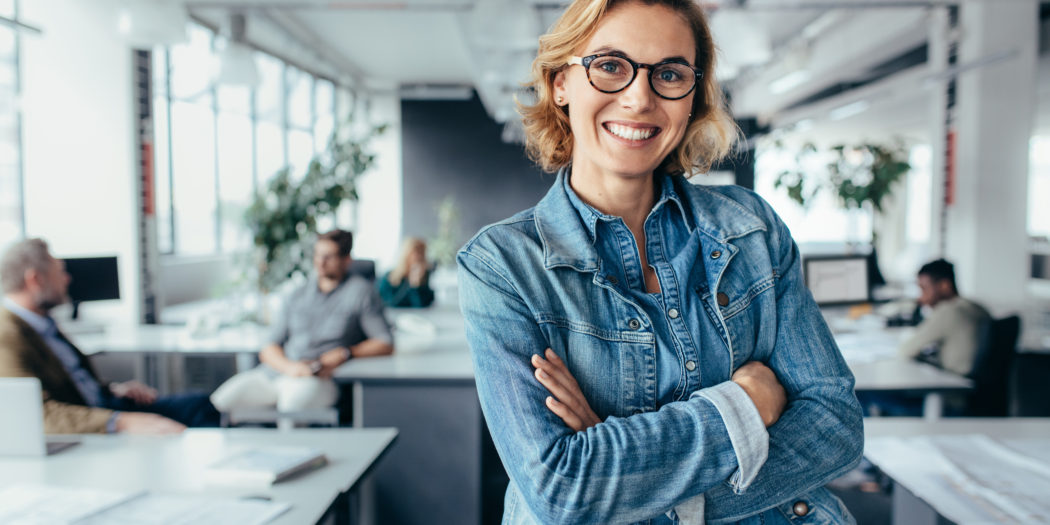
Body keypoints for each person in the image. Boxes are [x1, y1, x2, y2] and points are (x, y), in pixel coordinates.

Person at [456, 1, 864, 523]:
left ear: (692, 96)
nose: (639, 98)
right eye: (609, 66)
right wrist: (746, 408)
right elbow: (562, 489)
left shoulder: (751, 230)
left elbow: (835, 426)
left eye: (669, 74)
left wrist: (631, 478)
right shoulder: (504, 266)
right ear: (561, 82)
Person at [0, 238, 218, 434]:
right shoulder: (7, 335)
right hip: (93, 421)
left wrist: (112, 389)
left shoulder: (42, 323)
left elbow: (72, 380)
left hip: (106, 405)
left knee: (198, 404)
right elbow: (35, 414)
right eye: (60, 272)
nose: (67, 279)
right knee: (192, 413)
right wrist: (122, 421)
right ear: (35, 280)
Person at [210, 229, 394, 414]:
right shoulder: (297, 293)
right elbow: (269, 347)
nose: (321, 263)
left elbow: (384, 342)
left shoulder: (361, 292)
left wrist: (346, 353)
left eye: (329, 257)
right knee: (220, 402)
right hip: (279, 372)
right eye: (318, 255)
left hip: (319, 379)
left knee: (291, 407)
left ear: (346, 260)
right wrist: (291, 368)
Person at [898, 258, 990, 376]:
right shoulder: (977, 307)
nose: (920, 298)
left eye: (924, 289)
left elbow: (905, 350)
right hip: (972, 383)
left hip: (952, 384)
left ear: (944, 285)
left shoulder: (948, 311)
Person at [378, 237, 435, 308]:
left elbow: (421, 305)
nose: (419, 257)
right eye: (416, 253)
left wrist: (415, 285)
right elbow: (391, 303)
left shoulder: (423, 278)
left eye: (421, 253)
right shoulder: (389, 277)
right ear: (406, 255)